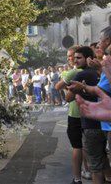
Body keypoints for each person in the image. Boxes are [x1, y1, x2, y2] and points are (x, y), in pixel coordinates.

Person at [66, 46, 111, 184]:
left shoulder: (80, 74)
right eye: (73, 58)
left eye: (78, 57)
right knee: (103, 158)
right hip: (103, 123)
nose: (74, 60)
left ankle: (77, 178)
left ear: (88, 58)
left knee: (95, 165)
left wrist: (81, 88)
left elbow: (68, 97)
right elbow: (99, 90)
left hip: (92, 122)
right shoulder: (100, 73)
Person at [55, 45, 90, 183]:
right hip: (91, 113)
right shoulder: (94, 70)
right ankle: (89, 171)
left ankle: (77, 178)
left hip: (77, 113)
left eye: (73, 56)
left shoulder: (74, 73)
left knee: (78, 146)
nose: (71, 59)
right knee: (88, 144)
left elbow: (62, 90)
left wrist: (69, 86)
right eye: (69, 57)